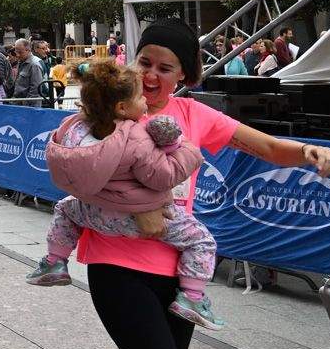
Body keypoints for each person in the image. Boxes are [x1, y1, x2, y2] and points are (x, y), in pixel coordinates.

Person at [66, 17, 330, 349]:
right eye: (143, 62)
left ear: (184, 76)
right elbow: (66, 160)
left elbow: (265, 146)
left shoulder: (193, 115)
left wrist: (308, 151)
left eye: (163, 68)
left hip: (177, 275)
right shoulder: (108, 112)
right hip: (116, 266)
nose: (150, 75)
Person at [26, 61, 223, 329]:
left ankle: (54, 261)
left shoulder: (72, 128)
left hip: (92, 213)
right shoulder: (136, 137)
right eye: (140, 97)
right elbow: (163, 175)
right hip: (135, 217)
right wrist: (182, 147)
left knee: (64, 209)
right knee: (201, 241)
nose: (144, 102)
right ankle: (192, 296)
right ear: (122, 107)